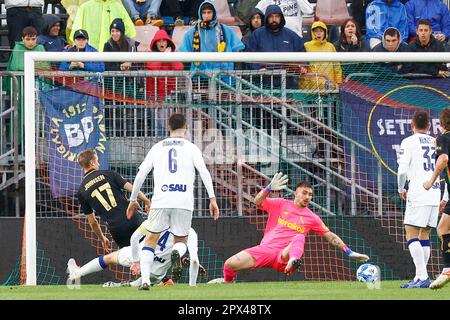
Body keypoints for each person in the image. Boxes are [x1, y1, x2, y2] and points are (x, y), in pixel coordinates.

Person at [126, 113, 220, 290]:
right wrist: (212, 198)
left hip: (161, 200)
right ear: (186, 128)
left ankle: (145, 280)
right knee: (181, 240)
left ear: (168, 127)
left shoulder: (157, 147)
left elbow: (140, 175)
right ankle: (177, 253)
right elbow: (204, 172)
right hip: (183, 201)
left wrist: (132, 199)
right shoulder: (192, 148)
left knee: (151, 239)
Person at [222, 174, 370, 283]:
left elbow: (330, 235)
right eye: (304, 193)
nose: (307, 197)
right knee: (229, 265)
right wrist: (268, 188)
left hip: (284, 255)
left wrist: (348, 251)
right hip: (265, 249)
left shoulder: (312, 217)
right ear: (296, 193)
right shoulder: (280, 203)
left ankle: (293, 261)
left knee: (299, 237)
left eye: (310, 194)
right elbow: (257, 201)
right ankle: (229, 286)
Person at [67, 227, 204, 287]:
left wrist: (136, 261)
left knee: (109, 258)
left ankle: (76, 273)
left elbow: (134, 238)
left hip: (141, 254)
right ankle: (125, 286)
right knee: (146, 281)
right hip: (157, 271)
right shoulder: (190, 232)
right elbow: (193, 260)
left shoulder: (155, 221)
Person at [397, 110, 441, 289]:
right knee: (424, 234)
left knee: (411, 232)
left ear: (411, 125)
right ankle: (418, 276)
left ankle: (423, 276)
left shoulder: (408, 142)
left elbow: (401, 171)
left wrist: (401, 188)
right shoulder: (435, 141)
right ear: (429, 126)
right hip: (436, 192)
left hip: (418, 191)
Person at [76, 149, 151, 250]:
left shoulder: (81, 191)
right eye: (97, 161)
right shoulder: (109, 174)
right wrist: (146, 201)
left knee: (132, 258)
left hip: (117, 230)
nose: (98, 164)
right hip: (131, 218)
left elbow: (92, 221)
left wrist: (102, 238)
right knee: (150, 248)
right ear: (92, 162)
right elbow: (133, 189)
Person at [245, 4, 306, 89]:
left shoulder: (291, 36)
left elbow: (302, 55)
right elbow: (248, 56)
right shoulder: (257, 35)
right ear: (266, 17)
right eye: (271, 16)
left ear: (281, 18)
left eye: (277, 16)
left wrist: (302, 66)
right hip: (262, 84)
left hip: (288, 83)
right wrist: (258, 69)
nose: (274, 19)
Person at [178, 1, 245, 76]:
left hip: (224, 76)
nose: (206, 16)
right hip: (199, 77)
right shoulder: (191, 33)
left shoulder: (227, 30)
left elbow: (238, 50)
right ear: (200, 14)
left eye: (209, 12)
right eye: (204, 13)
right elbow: (183, 56)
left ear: (214, 13)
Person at [423, 107, 450, 290]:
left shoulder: (444, 137)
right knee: (443, 226)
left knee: (442, 228)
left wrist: (431, 180)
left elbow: (443, 160)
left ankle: (447, 270)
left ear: (441, 124)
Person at [145, 29, 184, 136]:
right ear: (155, 43)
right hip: (155, 97)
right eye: (159, 41)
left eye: (164, 41)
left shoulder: (173, 55)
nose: (161, 43)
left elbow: (179, 67)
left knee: (171, 124)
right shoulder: (150, 55)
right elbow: (153, 68)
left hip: (170, 96)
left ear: (168, 43)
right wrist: (164, 57)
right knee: (159, 125)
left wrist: (169, 57)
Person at [70, 0, 136, 51]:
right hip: (90, 57)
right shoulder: (84, 7)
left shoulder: (119, 8)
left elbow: (129, 34)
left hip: (113, 58)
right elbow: (76, 33)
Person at [300, 21, 342, 91]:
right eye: (316, 31)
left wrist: (339, 81)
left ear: (325, 33)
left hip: (329, 85)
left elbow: (336, 65)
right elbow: (303, 65)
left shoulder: (330, 46)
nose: (318, 33)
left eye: (321, 31)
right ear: (312, 33)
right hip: (311, 87)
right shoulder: (306, 46)